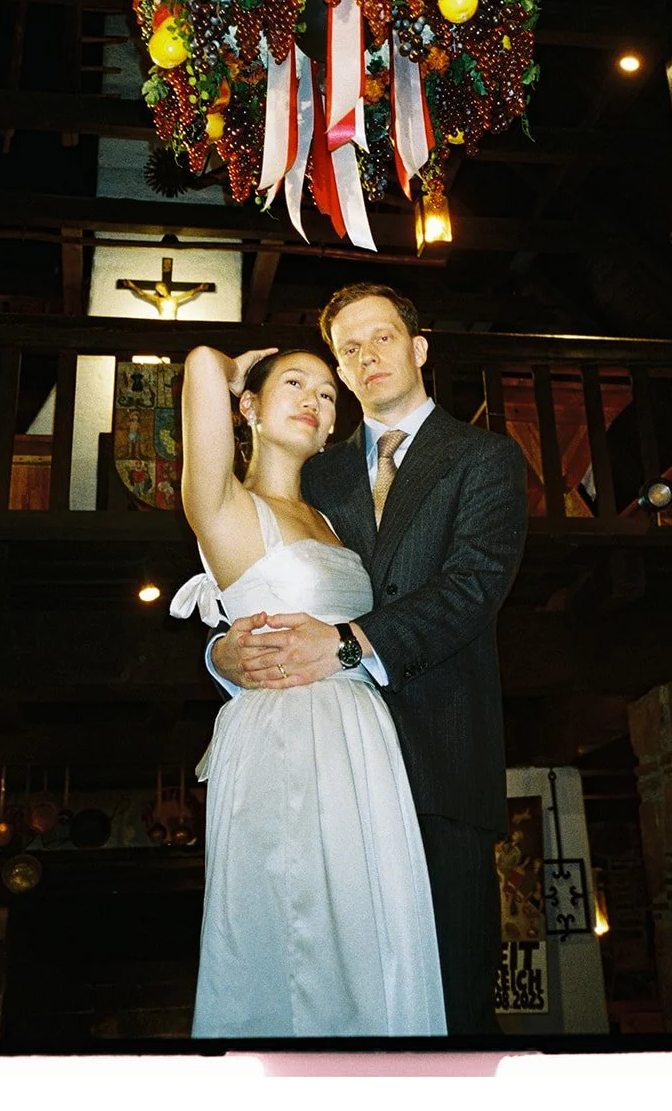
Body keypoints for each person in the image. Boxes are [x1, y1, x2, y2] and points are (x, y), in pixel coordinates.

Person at [210, 284, 529, 1035]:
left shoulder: (485, 458)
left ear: (418, 350)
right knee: (335, 998)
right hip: (325, 780)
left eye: (381, 338)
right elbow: (258, 572)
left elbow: (474, 585)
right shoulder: (313, 474)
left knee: (450, 1004)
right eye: (347, 349)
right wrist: (227, 652)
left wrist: (350, 642)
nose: (365, 356)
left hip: (440, 763)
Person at [169, 342, 446, 1039]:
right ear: (250, 410)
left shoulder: (331, 521)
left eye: (327, 395)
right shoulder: (227, 504)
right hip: (288, 739)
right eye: (294, 384)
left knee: (370, 934)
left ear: (331, 430)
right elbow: (200, 360)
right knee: (300, 944)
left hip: (361, 738)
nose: (315, 400)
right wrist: (233, 372)